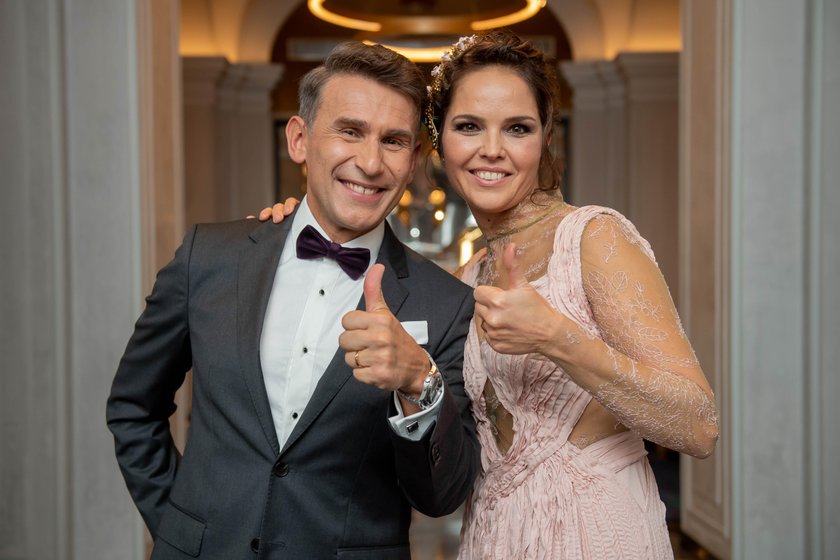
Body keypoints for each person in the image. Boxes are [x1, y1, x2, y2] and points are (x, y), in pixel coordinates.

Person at [261, 30, 719, 559]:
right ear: (438, 143)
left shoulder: (594, 239)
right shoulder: (464, 279)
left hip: (595, 535)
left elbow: (698, 426)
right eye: (469, 126)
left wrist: (557, 337)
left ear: (545, 137)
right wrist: (286, 235)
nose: (492, 149)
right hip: (493, 537)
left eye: (517, 128)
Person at [106, 41, 480, 560]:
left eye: (393, 141)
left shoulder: (448, 303)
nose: (370, 162)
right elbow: (133, 406)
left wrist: (419, 381)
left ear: (414, 159)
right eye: (349, 131)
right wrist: (181, 530)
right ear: (300, 139)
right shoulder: (208, 257)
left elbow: (442, 497)